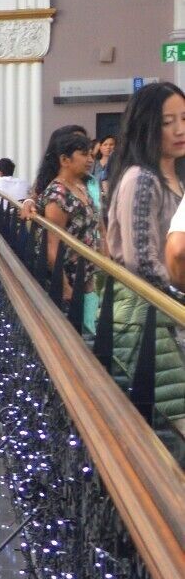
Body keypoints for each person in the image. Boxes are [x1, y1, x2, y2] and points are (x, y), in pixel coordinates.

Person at [105, 81, 185, 443]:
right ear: (147, 124)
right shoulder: (142, 178)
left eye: (184, 118)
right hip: (149, 315)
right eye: (168, 121)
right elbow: (142, 262)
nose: (180, 129)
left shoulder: (172, 178)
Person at [30, 126, 101, 326]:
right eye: (83, 154)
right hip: (70, 282)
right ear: (64, 160)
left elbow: (96, 227)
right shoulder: (58, 194)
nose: (90, 160)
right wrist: (66, 287)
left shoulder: (81, 186)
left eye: (90, 155)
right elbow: (52, 247)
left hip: (85, 278)